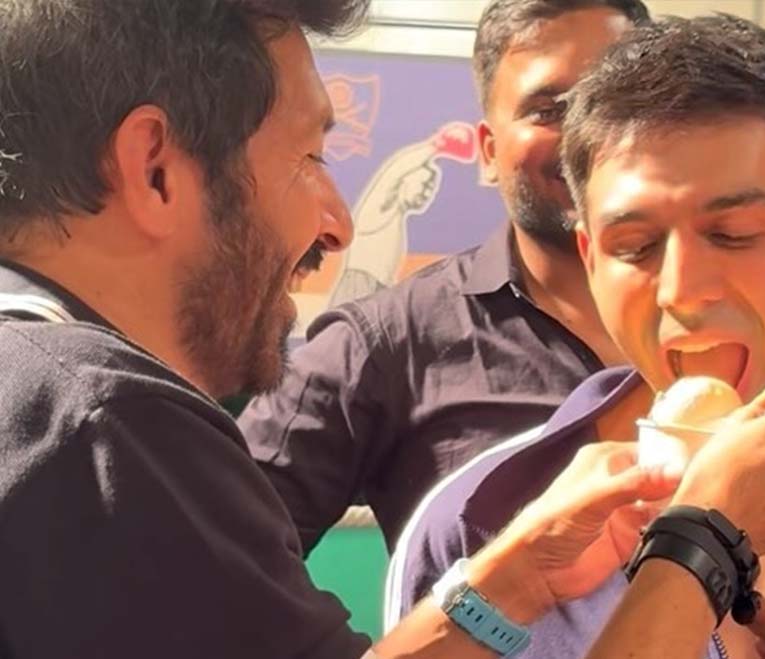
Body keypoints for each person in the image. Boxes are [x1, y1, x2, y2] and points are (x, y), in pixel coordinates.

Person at [0, 2, 765, 658]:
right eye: (308, 158)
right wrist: (704, 538)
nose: (337, 222)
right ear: (154, 168)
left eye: (732, 233)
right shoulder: (98, 426)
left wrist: (515, 576)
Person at [388, 15, 765, 659]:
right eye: (635, 246)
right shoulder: (480, 522)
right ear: (591, 260)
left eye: (733, 234)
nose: (681, 290)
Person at [238, 0, 652, 552]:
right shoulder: (388, 344)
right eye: (548, 110)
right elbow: (217, 547)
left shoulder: (735, 313)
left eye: (610, 101)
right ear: (489, 152)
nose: (585, 134)